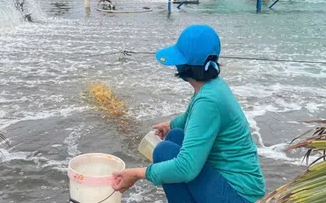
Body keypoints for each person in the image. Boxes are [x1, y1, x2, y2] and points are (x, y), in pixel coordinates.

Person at [112, 24, 266, 203]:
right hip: (236, 182)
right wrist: (170, 125)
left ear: (185, 66)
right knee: (176, 135)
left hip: (240, 195)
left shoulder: (208, 101)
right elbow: (190, 117)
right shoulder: (212, 86)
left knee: (164, 151)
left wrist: (137, 174)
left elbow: (186, 168)